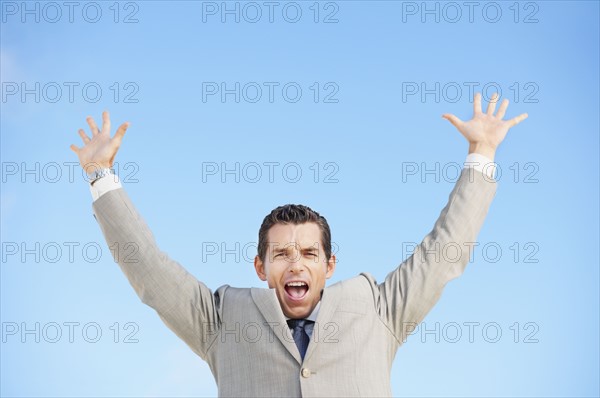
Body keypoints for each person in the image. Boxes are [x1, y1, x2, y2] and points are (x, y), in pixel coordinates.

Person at [70, 93, 527, 397]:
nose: (296, 264)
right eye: (282, 253)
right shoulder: (222, 318)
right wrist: (100, 175)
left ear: (329, 265)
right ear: (260, 266)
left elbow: (443, 253)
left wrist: (481, 155)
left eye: (309, 253)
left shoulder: (378, 309)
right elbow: (149, 270)